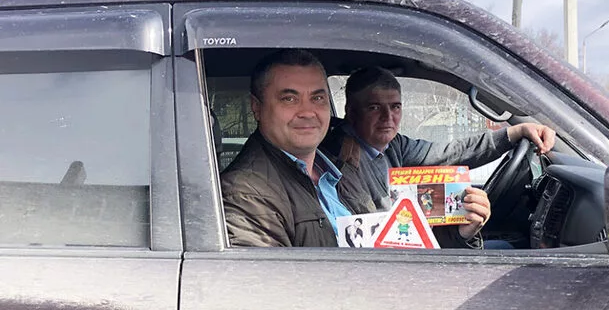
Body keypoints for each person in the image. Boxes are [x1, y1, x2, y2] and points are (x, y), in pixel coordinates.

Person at [221, 50, 489, 248]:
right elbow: (272, 296)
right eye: (289, 98)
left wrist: (459, 233)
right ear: (256, 107)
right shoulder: (246, 194)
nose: (308, 112)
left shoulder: (337, 169)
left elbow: (386, 242)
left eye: (317, 98)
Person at [320, 66, 557, 212]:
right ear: (351, 112)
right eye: (374, 107)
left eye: (395, 107)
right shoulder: (341, 158)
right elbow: (372, 224)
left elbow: (449, 154)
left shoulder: (394, 145)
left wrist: (514, 132)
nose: (388, 117)